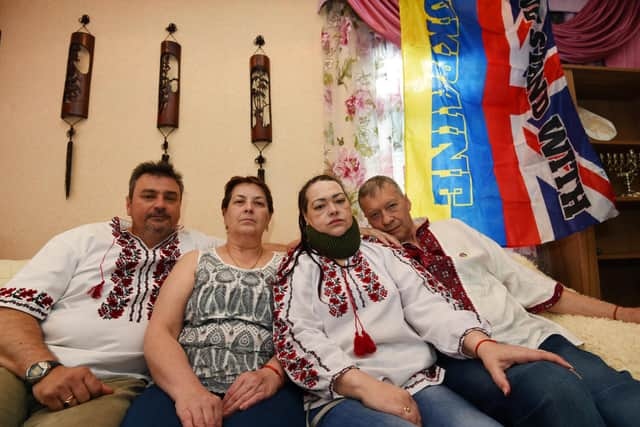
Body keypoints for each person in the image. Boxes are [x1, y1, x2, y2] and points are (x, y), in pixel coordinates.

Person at [272, 174, 574, 427]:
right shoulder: (296, 269)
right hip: (341, 394)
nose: (333, 210)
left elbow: (430, 306)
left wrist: (482, 344)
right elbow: (298, 338)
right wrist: (365, 386)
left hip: (418, 382)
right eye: (320, 205)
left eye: (339, 201)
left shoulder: (385, 254)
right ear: (306, 219)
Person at [357, 174, 640, 427]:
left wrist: (619, 312)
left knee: (614, 391)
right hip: (464, 360)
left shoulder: (455, 230)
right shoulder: (377, 257)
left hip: (528, 336)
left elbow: (531, 285)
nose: (386, 220)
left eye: (391, 206)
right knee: (554, 387)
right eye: (374, 215)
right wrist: (359, 236)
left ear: (407, 201)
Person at [0, 161, 223, 427]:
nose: (160, 204)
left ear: (180, 206)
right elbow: (12, 311)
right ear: (128, 204)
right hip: (26, 366)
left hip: (111, 384)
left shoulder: (200, 248)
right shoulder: (81, 240)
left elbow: (262, 251)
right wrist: (44, 370)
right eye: (149, 196)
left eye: (170, 198)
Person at [121, 176, 305, 427]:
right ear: (225, 213)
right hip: (185, 381)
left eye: (258, 203)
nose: (249, 208)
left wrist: (272, 374)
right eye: (239, 201)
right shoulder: (194, 261)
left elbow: (304, 332)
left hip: (261, 387)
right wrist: (188, 391)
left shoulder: (288, 266)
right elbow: (160, 332)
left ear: (269, 218)